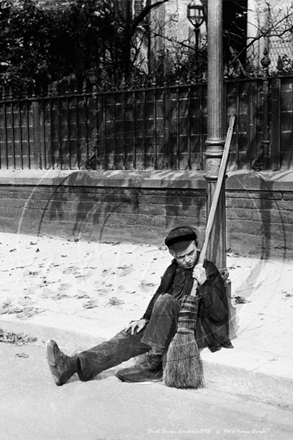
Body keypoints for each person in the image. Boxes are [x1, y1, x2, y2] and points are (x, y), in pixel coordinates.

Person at [46, 226, 233, 386]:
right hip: (168, 323)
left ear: (197, 246)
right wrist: (144, 318)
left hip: (194, 330)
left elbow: (221, 316)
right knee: (131, 332)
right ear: (172, 254)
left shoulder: (207, 269)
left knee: (166, 301)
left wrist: (205, 284)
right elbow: (157, 296)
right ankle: (74, 365)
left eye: (191, 253)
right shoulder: (173, 269)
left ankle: (154, 364)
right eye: (181, 257)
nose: (187, 260)